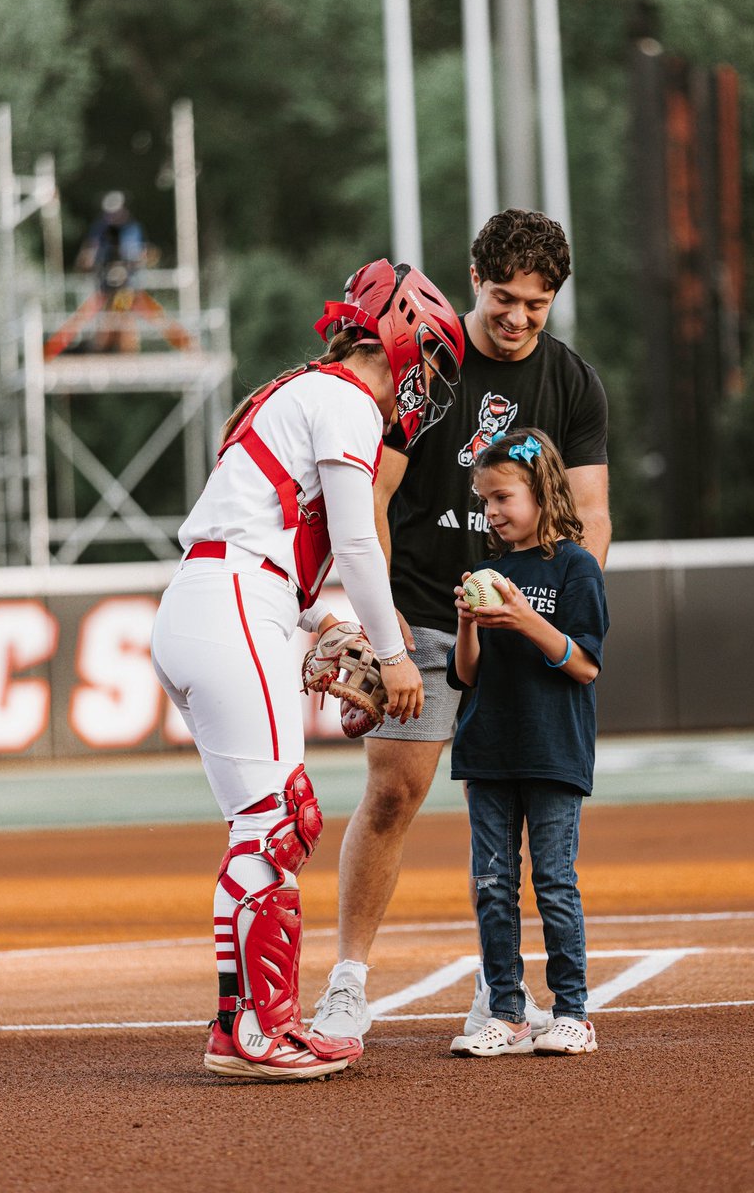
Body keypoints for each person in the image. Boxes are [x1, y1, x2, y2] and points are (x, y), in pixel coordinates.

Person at [150, 259, 465, 1082]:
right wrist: (393, 653)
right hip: (232, 604)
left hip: (211, 601)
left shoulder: (303, 393)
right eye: (429, 357)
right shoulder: (345, 401)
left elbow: (261, 536)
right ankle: (264, 1031)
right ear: (401, 336)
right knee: (278, 824)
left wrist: (322, 620)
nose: (425, 381)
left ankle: (238, 1025)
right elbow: (358, 542)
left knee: (262, 826)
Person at [312, 210, 611, 1044]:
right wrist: (385, 629)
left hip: (524, 625)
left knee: (518, 816)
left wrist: (552, 609)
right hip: (421, 611)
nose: (518, 318)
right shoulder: (428, 368)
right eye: (504, 298)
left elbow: (590, 516)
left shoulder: (575, 383)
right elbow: (371, 496)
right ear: (476, 279)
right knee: (394, 793)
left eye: (537, 305)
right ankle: (347, 982)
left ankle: (500, 993)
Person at [445, 427, 609, 1056]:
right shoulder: (491, 570)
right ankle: (508, 1012)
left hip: (552, 748)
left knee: (554, 882)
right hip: (487, 746)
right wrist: (467, 624)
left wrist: (523, 618)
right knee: (492, 882)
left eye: (502, 497)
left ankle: (573, 1012)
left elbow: (585, 664)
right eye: (485, 500)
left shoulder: (576, 566)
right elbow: (466, 673)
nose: (491, 512)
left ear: (541, 492)